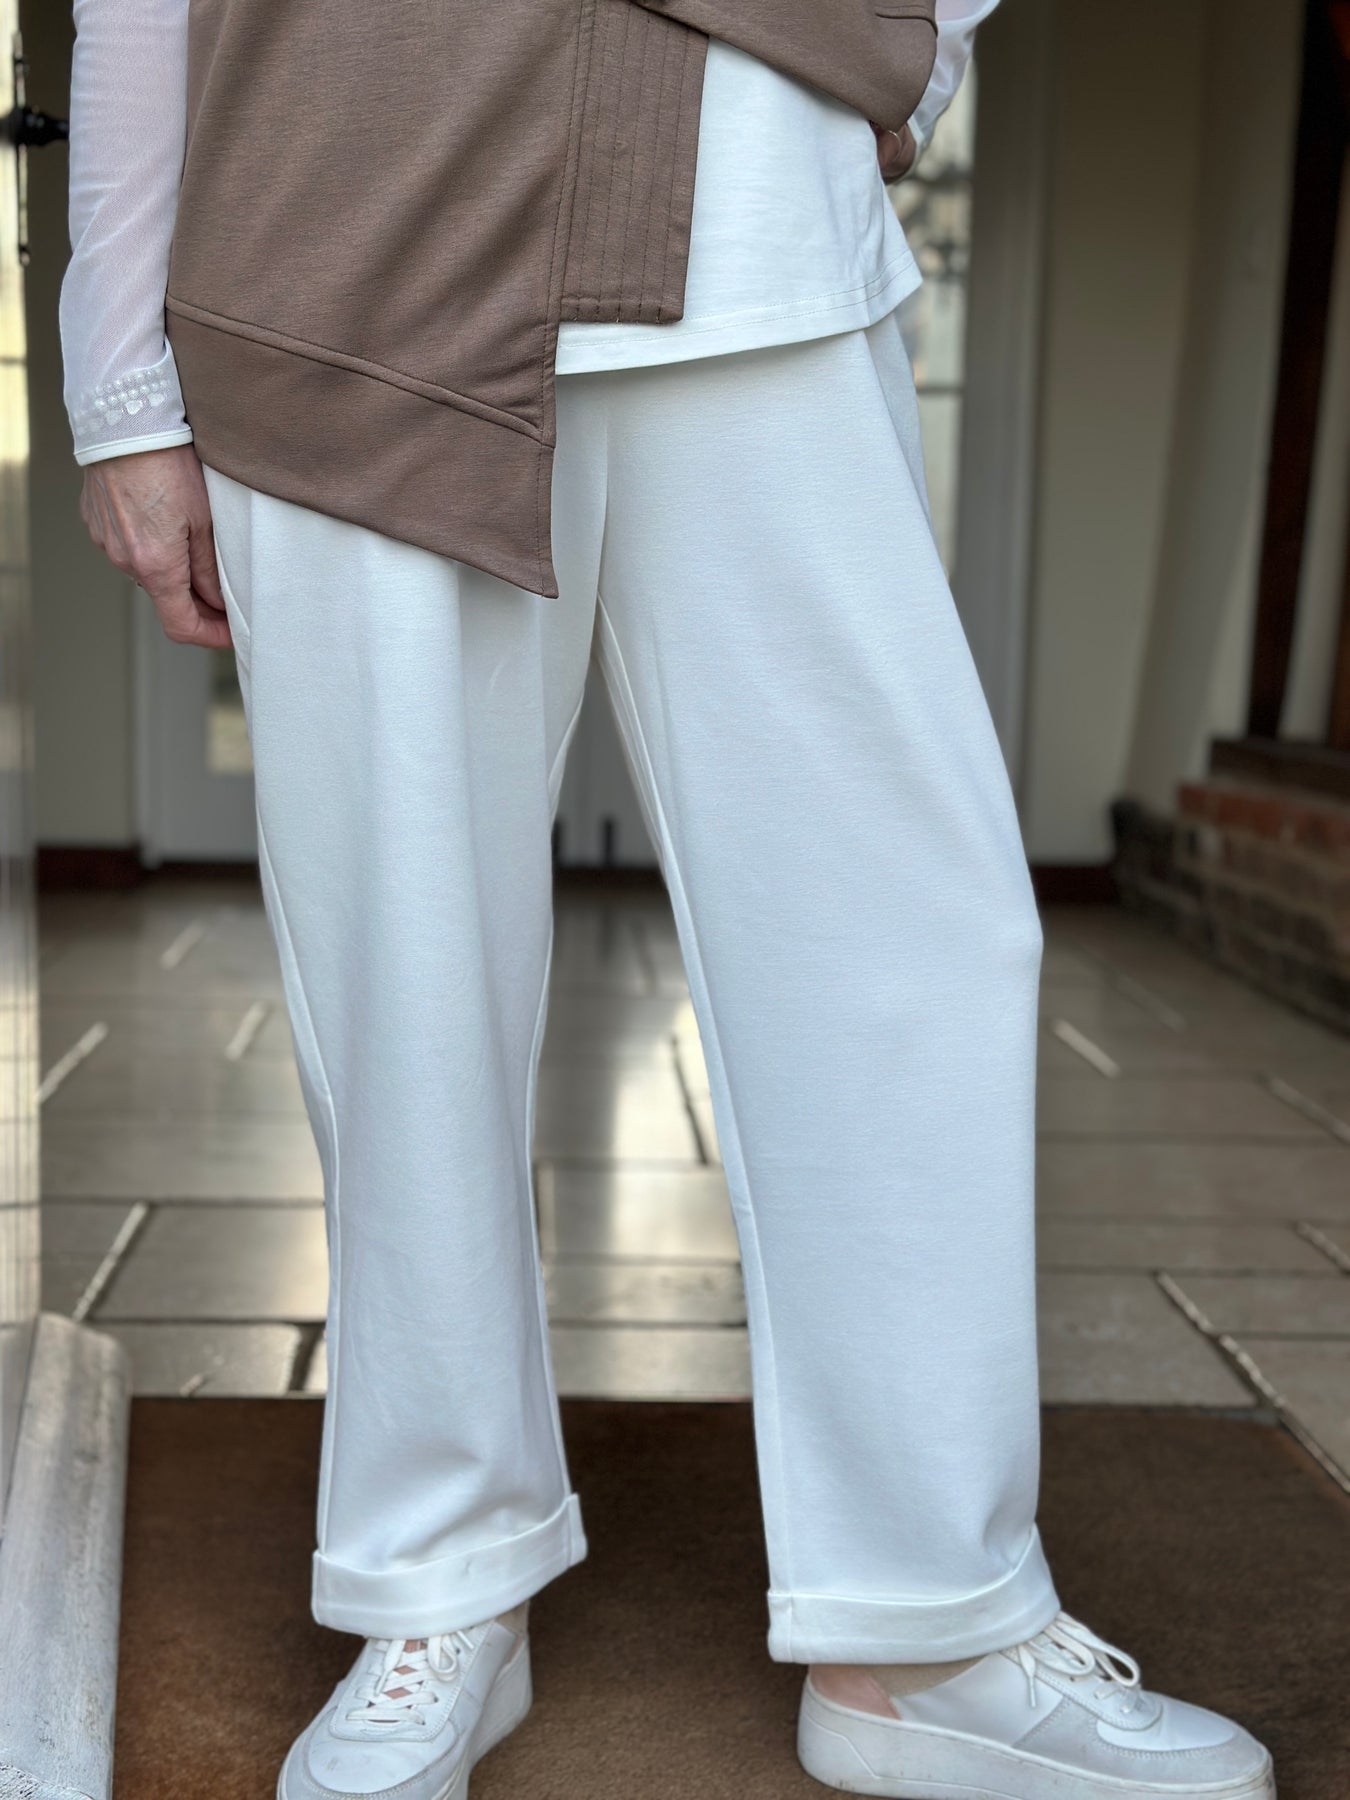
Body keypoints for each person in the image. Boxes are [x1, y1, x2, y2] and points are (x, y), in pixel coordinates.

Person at [60, 3, 1275, 1797]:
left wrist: (914, 35)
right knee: (407, 968)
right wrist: (120, 386)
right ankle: (437, 1578)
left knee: (903, 934)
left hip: (761, 208)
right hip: (343, 244)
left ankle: (924, 1625)